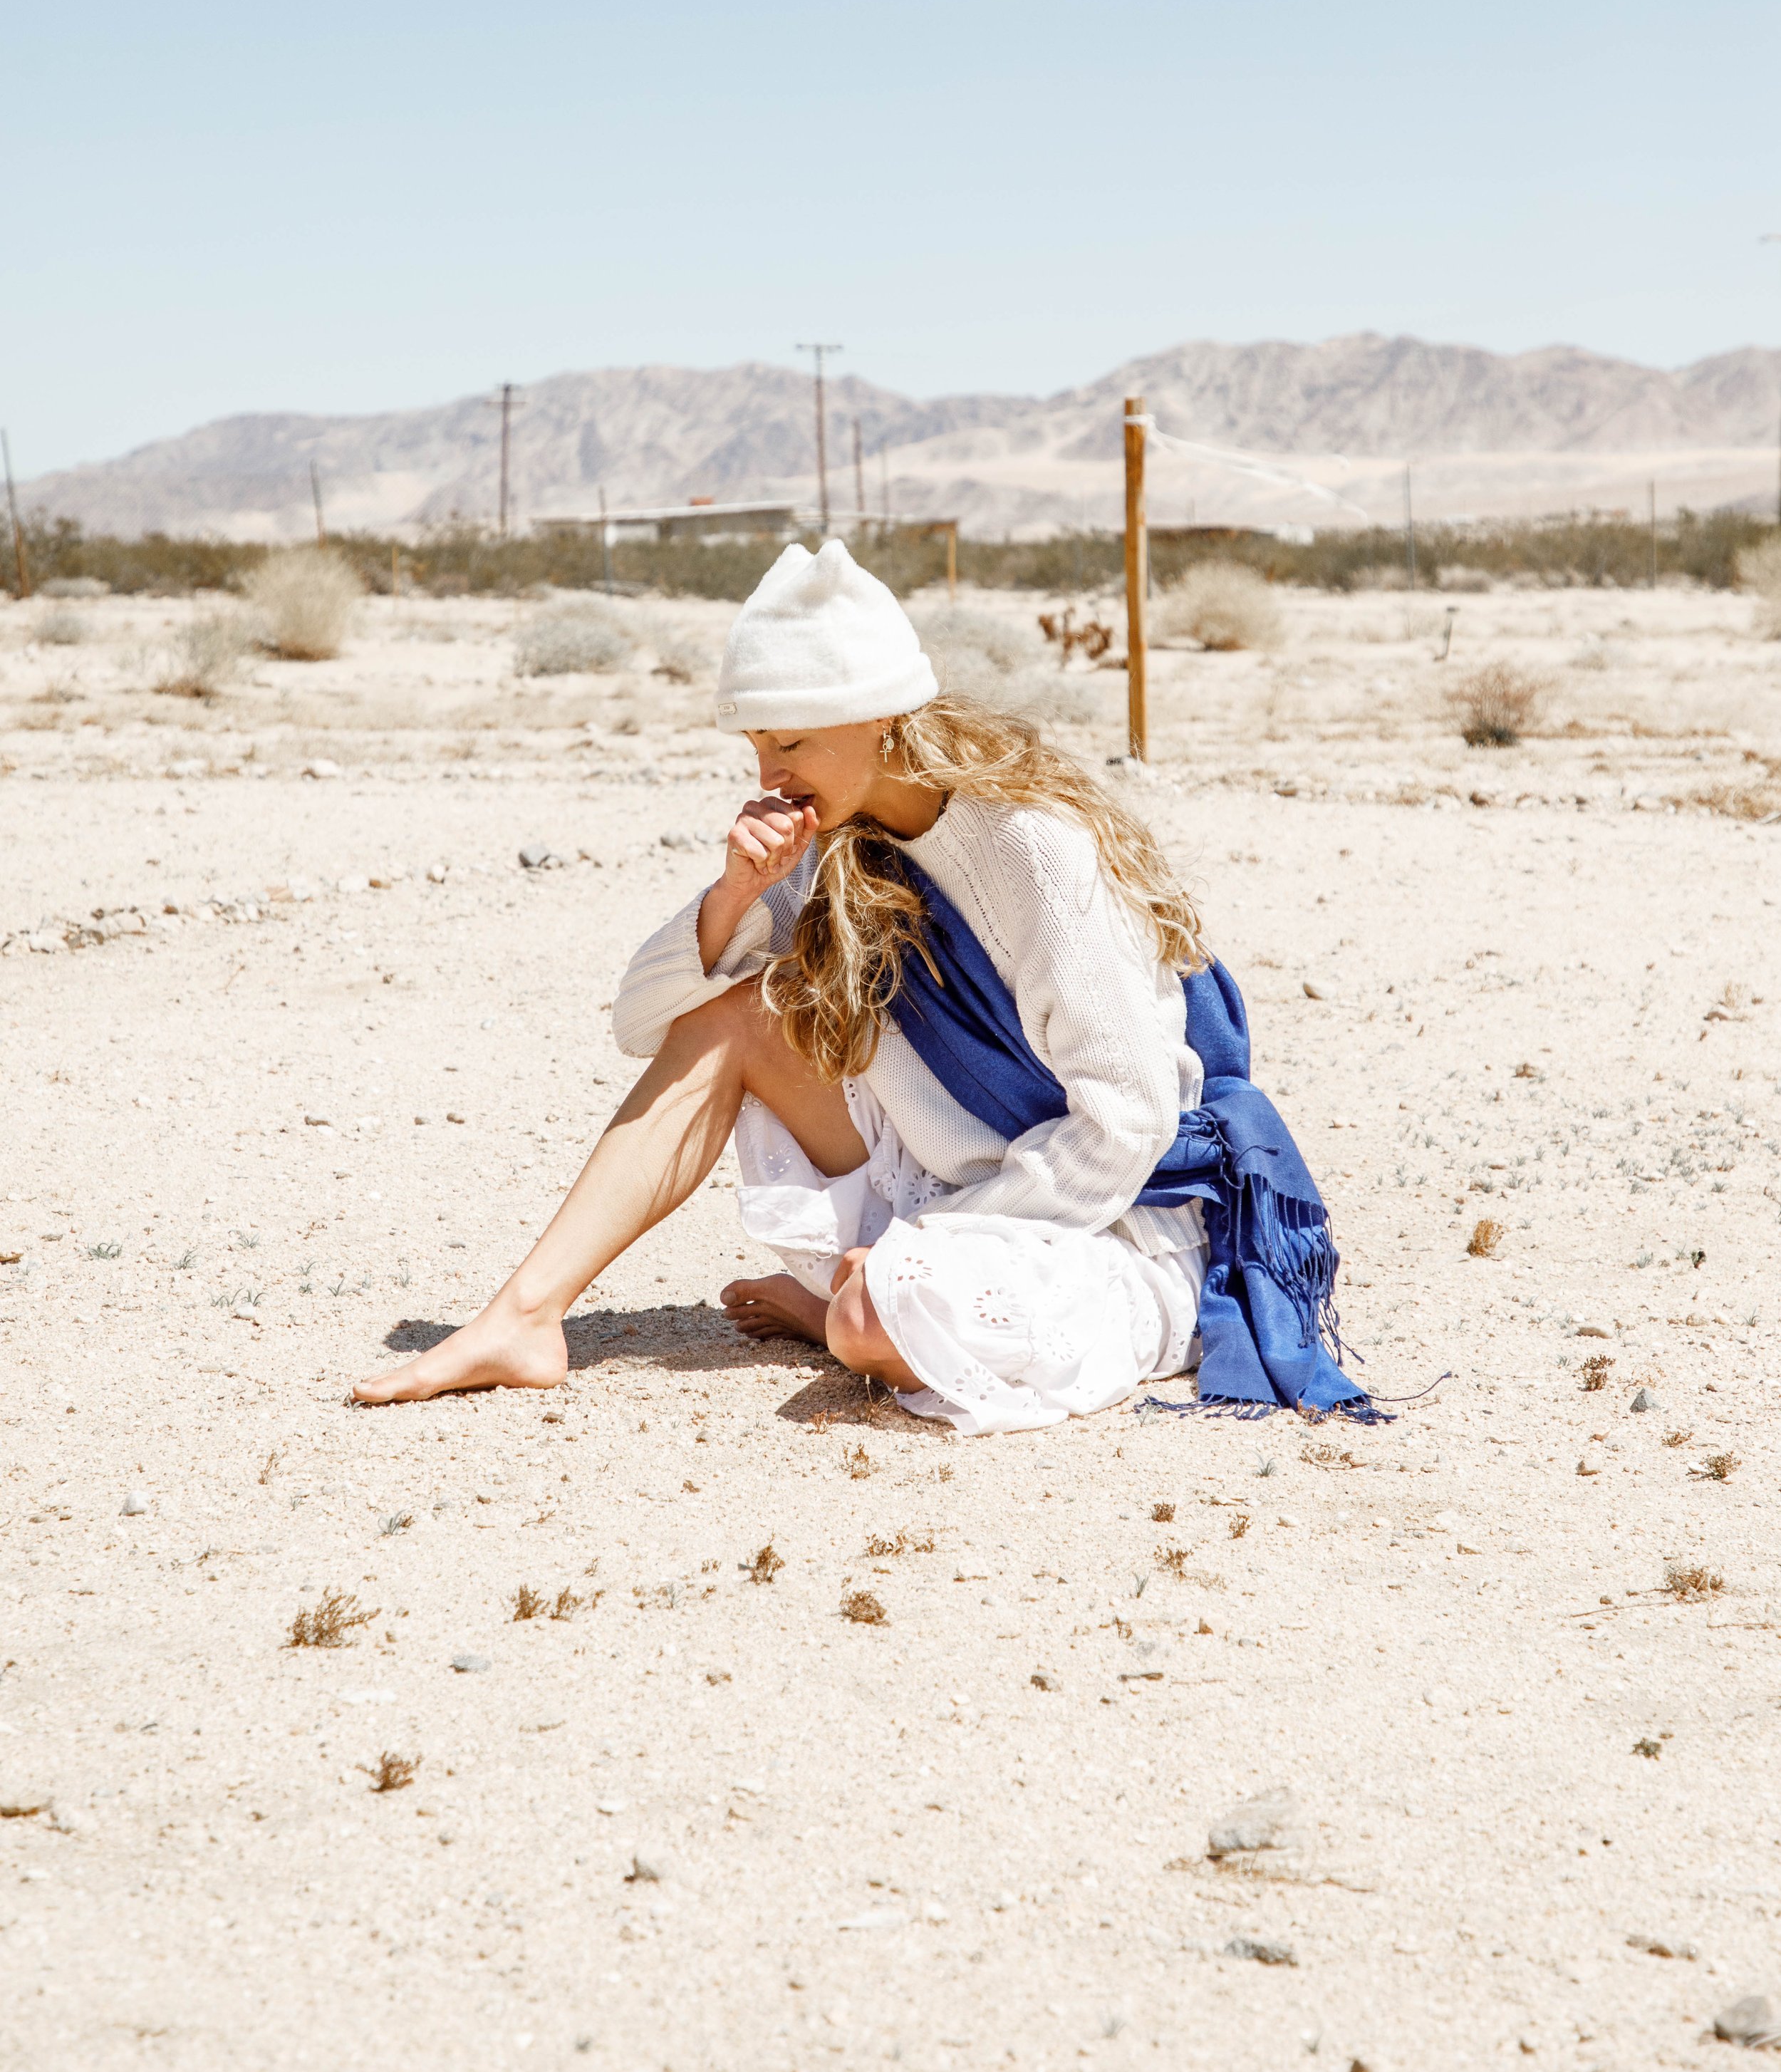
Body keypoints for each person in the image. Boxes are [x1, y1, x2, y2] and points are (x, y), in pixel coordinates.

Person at [354, 542, 1362, 1434]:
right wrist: (736, 892)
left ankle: (852, 1294)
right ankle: (523, 1317)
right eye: (755, 743)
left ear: (879, 716)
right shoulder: (822, 837)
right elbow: (642, 1022)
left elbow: (1127, 1122)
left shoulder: (1035, 849)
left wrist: (932, 1242)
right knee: (735, 1015)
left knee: (874, 1315)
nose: (768, 769)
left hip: (1119, 1214)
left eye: (789, 740)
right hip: (961, 1182)